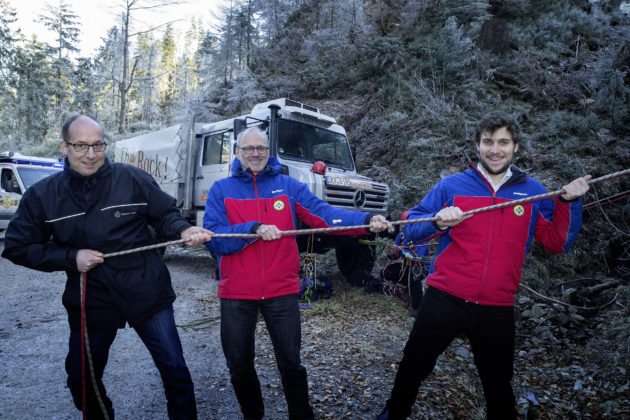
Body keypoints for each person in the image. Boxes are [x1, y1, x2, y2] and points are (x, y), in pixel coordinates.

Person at [376, 111, 591, 420]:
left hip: (496, 304)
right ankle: (392, 414)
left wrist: (568, 203)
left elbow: (559, 243)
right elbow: (411, 227)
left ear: (516, 146)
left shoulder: (533, 192)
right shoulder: (451, 186)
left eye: (503, 142)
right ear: (477, 145)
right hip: (445, 296)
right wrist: (439, 221)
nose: (495, 149)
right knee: (414, 365)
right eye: (488, 142)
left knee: (498, 384)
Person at [1, 115, 213, 420]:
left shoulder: (132, 179)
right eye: (81, 146)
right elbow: (18, 246)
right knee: (81, 379)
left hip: (146, 289)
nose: (91, 154)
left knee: (175, 369)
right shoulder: (43, 195)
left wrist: (182, 230)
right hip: (91, 296)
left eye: (98, 145)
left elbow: (165, 214)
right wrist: (71, 258)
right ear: (64, 146)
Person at [203, 127, 392, 420]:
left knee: (291, 363)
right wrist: (251, 229)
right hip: (237, 292)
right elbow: (214, 238)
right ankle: (253, 415)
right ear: (238, 153)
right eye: (249, 148)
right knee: (239, 365)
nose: (255, 154)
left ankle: (301, 415)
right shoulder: (221, 190)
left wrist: (367, 220)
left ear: (269, 152)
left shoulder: (288, 187)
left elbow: (326, 216)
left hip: (282, 291)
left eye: (261, 148)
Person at [381, 211, 430, 315]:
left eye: (405, 224)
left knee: (414, 278)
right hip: (407, 266)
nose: (403, 226)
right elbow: (396, 256)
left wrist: (400, 251)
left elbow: (418, 257)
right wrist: (391, 253)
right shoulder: (401, 236)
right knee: (387, 272)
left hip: (421, 268)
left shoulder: (422, 237)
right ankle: (407, 288)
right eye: (402, 224)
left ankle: (418, 308)